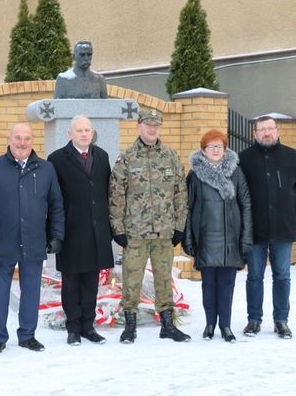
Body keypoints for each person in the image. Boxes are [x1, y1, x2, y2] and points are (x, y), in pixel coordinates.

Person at [0, 122, 65, 354]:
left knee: (31, 289)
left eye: (27, 138)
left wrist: (56, 234)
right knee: (0, 291)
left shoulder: (46, 169)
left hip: (35, 240)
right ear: (9, 139)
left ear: (32, 141)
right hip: (2, 241)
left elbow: (56, 204)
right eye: (18, 138)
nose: (22, 143)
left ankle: (27, 335)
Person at [109, 108, 190, 343]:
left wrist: (179, 226)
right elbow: (116, 196)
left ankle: (167, 325)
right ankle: (130, 326)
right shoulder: (126, 158)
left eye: (156, 125)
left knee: (164, 278)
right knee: (132, 279)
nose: (152, 129)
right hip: (135, 232)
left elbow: (180, 194)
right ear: (139, 126)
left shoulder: (170, 156)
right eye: (147, 124)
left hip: (164, 231)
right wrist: (118, 229)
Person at [47, 115, 113, 346]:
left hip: (96, 231)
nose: (84, 134)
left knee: (91, 283)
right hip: (72, 231)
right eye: (79, 130)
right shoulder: (56, 159)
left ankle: (88, 326)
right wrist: (55, 233)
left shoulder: (102, 156)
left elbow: (106, 192)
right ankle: (73, 328)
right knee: (72, 283)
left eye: (88, 130)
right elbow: (53, 199)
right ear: (70, 134)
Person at [183, 130, 253, 342]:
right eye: (210, 146)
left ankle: (226, 326)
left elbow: (246, 205)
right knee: (208, 285)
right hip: (205, 238)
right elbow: (187, 207)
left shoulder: (236, 173)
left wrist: (246, 237)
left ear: (225, 149)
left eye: (219, 146)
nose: (215, 150)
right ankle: (210, 324)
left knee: (227, 285)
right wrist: (188, 238)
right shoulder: (195, 175)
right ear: (203, 151)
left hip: (230, 239)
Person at [239, 115, 296, 339]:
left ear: (277, 130)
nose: (266, 133)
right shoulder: (244, 159)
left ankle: (281, 321)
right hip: (255, 229)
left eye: (270, 128)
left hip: (284, 227)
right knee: (254, 276)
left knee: (282, 275)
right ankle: (254, 320)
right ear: (255, 134)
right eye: (261, 129)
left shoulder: (292, 157)